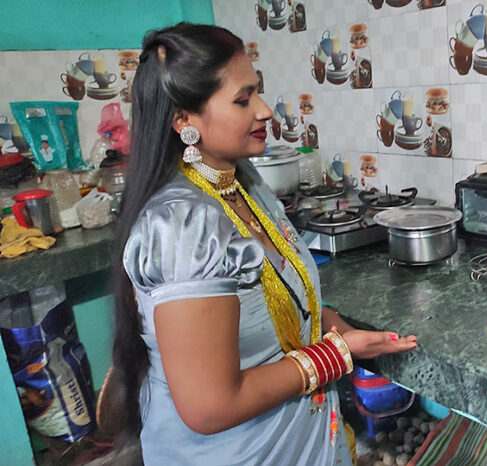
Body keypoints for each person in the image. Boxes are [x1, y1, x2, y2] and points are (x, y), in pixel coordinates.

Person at [108, 23, 417, 465]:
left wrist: (337, 328)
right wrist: (337, 353)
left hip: (295, 438)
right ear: (184, 120)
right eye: (243, 99)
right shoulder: (184, 225)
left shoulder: (245, 184)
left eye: (257, 92)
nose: (265, 111)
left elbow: (285, 297)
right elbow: (211, 407)